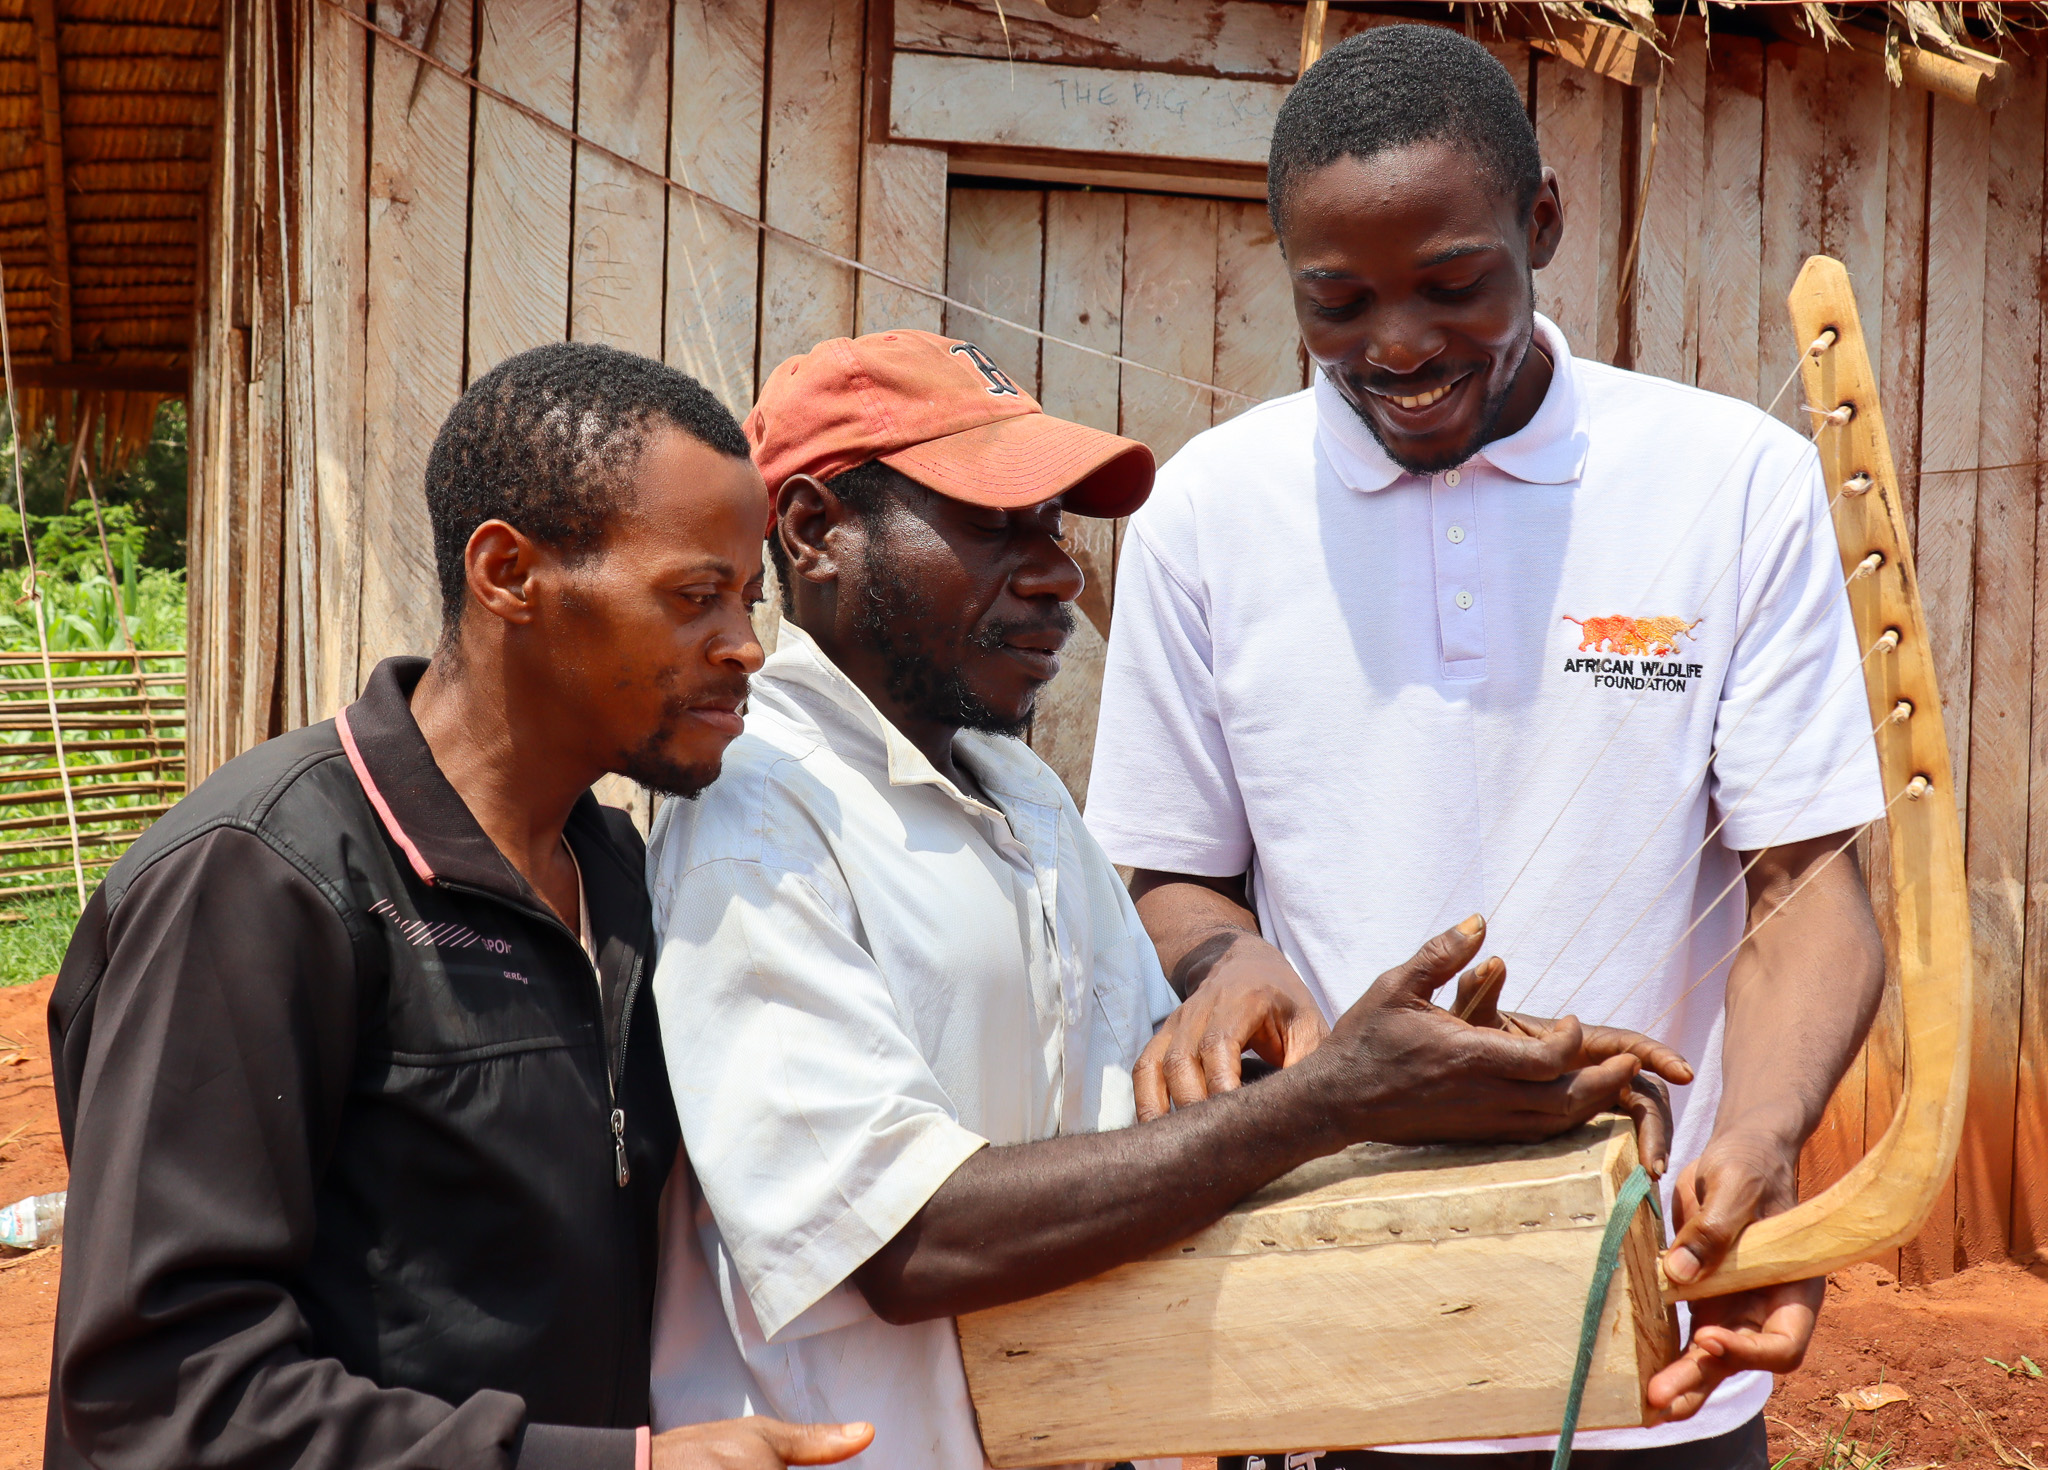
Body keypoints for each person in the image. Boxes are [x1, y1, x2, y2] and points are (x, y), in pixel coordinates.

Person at [645, 329, 1690, 1470]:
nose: (1055, 572)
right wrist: (1336, 1100)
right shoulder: (755, 815)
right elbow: (905, 1244)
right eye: (994, 525)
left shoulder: (1019, 792)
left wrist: (1438, 1084)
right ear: (813, 531)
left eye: (1051, 524)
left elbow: (1164, 1127)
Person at [1084, 25, 1887, 1470]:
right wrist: (1229, 959)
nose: (1397, 345)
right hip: (1326, 1335)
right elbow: (1169, 870)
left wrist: (1763, 1133)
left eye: (1454, 284)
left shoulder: (1730, 481)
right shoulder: (1207, 511)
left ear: (1543, 225)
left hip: (1647, 1346)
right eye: (1337, 302)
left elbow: (1805, 886)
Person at [44, 342, 872, 1470]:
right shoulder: (262, 881)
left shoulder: (619, 877)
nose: (746, 647)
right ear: (506, 573)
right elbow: (162, 1394)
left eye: (747, 598)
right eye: (694, 596)